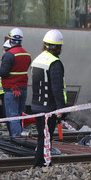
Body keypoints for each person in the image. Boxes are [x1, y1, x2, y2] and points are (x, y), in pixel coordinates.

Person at [31, 30, 68, 168]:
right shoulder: (55, 63)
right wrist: (61, 108)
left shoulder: (37, 59)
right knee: (46, 137)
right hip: (49, 107)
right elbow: (57, 88)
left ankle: (41, 161)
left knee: (42, 135)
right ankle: (41, 163)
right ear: (58, 47)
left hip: (36, 105)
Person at [0, 28, 31, 138]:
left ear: (10, 40)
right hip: (23, 88)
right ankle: (21, 134)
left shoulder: (9, 55)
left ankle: (16, 137)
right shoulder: (27, 54)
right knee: (20, 113)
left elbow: (3, 72)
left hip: (11, 90)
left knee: (12, 114)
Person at [0, 39, 10, 109]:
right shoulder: (8, 58)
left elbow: (2, 73)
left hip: (5, 91)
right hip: (4, 90)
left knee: (7, 111)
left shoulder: (7, 59)